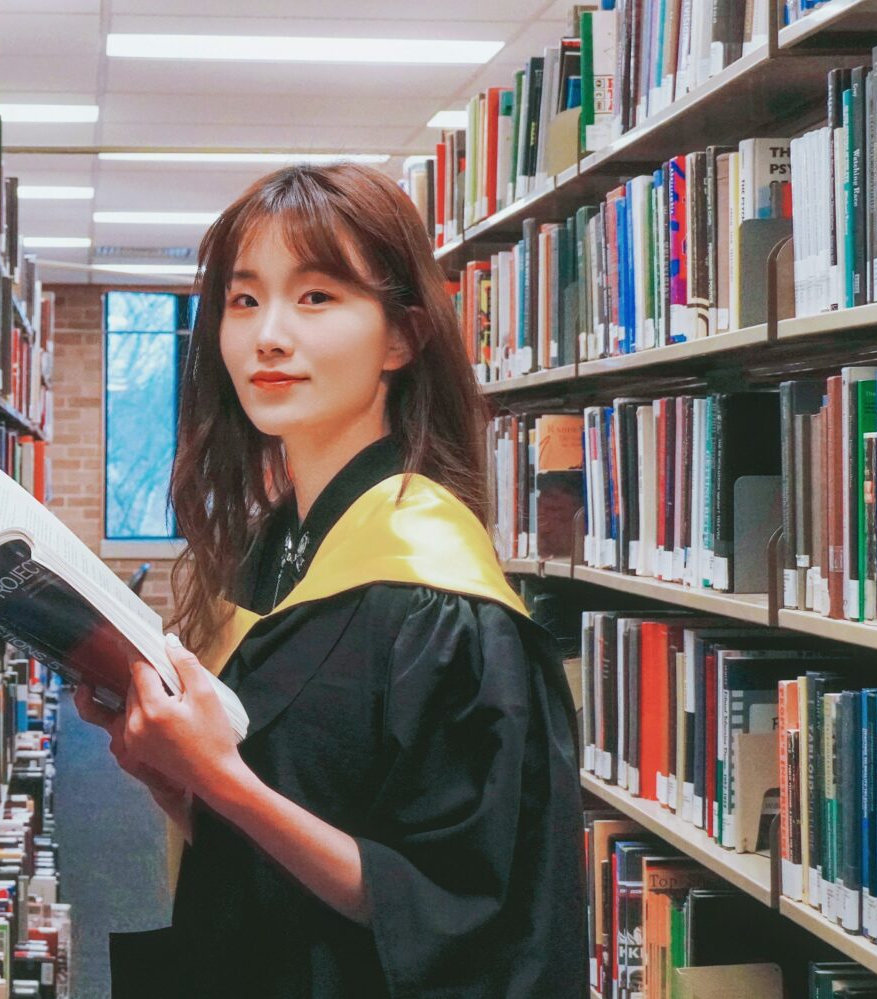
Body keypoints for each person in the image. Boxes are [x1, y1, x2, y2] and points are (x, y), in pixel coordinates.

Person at [72, 163, 585, 998]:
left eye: (316, 297)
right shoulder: (274, 549)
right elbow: (289, 828)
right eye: (244, 301)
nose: (269, 335)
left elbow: (454, 909)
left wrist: (224, 778)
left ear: (401, 337)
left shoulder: (437, 594)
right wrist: (175, 774)